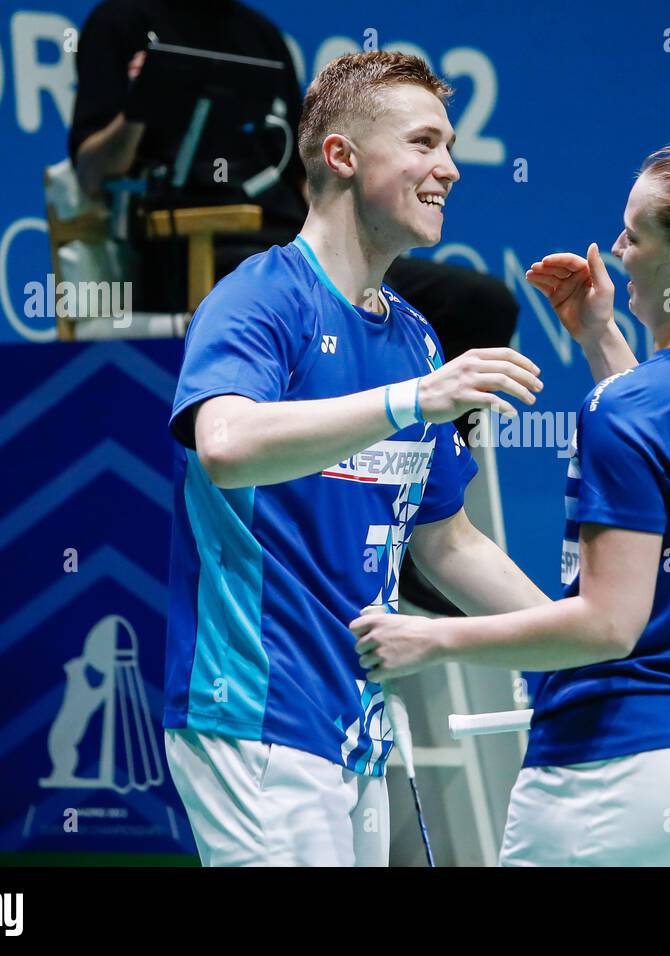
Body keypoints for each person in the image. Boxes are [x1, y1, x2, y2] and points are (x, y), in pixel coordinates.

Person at [349, 142, 670, 865]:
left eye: (632, 236)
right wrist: (599, 335)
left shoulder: (629, 410)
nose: (615, 250)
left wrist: (430, 641)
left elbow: (608, 626)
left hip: (613, 778)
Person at [162, 51, 550, 867]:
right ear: (341, 156)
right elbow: (224, 446)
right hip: (258, 714)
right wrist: (411, 402)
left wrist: (569, 642)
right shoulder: (262, 298)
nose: (446, 168)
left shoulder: (413, 337)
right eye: (422, 143)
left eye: (447, 147)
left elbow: (448, 543)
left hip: (357, 726)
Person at [68, 0, 518, 358]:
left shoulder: (262, 36)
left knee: (480, 301)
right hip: (191, 250)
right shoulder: (121, 22)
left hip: (294, 242)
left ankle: (429, 457)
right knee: (359, 303)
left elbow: (303, 172)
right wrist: (144, 103)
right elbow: (91, 175)